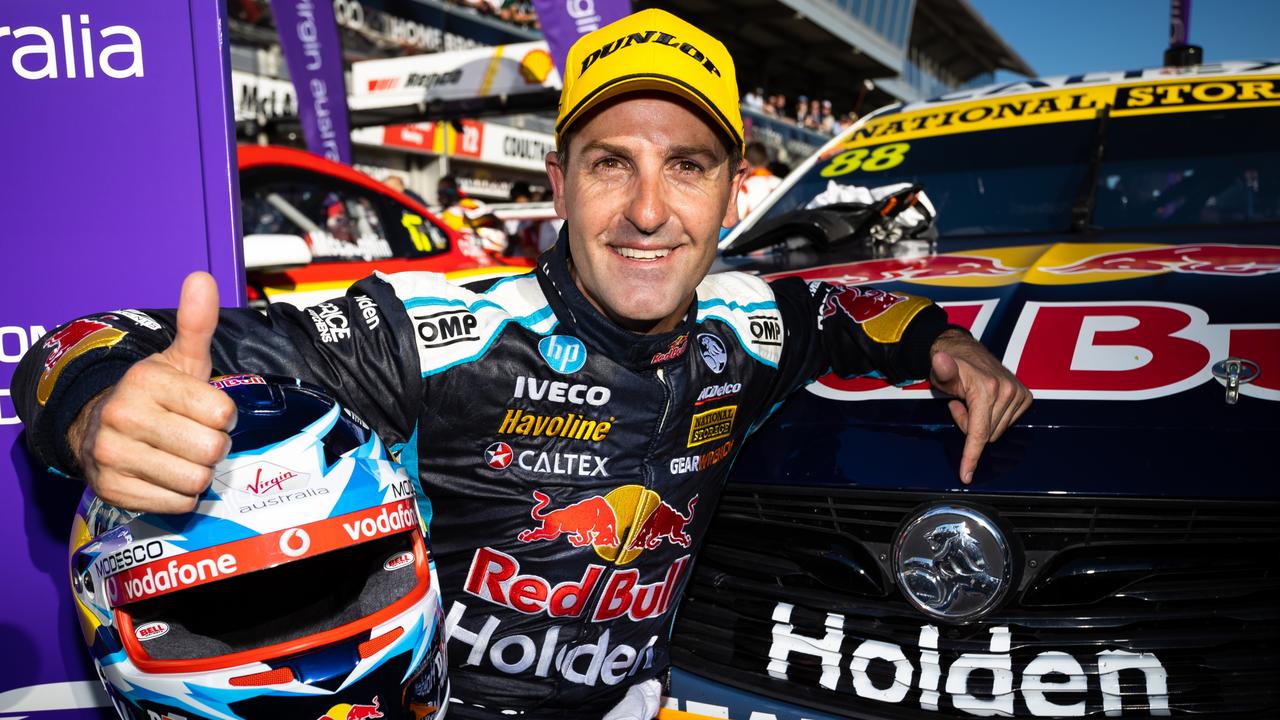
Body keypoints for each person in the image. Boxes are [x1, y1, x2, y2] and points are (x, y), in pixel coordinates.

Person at [13, 8, 1029, 719]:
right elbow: (85, 340)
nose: (644, 210)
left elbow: (850, 304)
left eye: (685, 166)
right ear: (557, 182)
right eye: (608, 164)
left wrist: (939, 339)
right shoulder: (435, 331)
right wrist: (101, 409)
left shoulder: (750, 325)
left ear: (732, 195)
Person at [736, 141, 783, 221]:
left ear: (745, 163)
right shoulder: (783, 183)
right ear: (766, 161)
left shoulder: (743, 189)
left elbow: (736, 226)